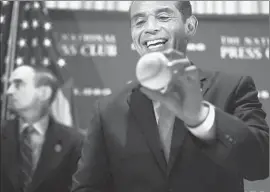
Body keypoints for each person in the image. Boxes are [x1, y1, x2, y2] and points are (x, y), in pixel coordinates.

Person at [71, 1, 269, 192]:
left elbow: (261, 164)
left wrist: (201, 118)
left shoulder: (232, 88)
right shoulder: (108, 110)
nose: (150, 28)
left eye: (163, 17)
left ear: (190, 26)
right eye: (139, 21)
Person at [1, 65, 82, 192]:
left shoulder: (74, 142)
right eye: (10, 84)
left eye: (18, 84)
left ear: (44, 93)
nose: (9, 91)